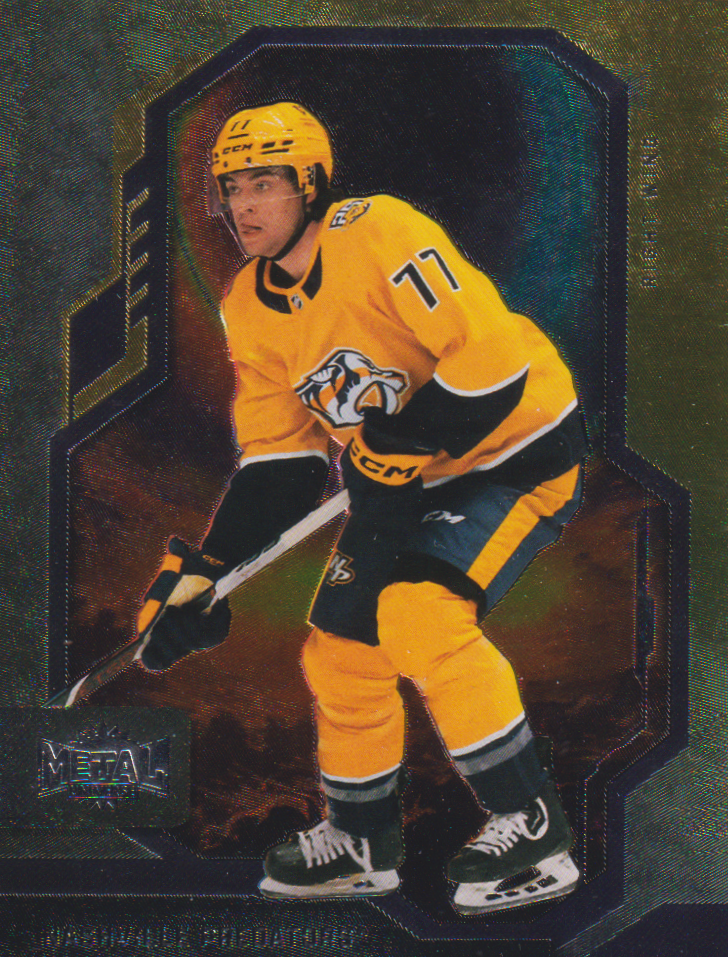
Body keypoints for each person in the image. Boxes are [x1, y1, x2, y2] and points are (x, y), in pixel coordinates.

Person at [137, 102, 587, 914]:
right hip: (403, 477)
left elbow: (494, 361)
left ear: (311, 183)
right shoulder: (247, 306)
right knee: (340, 653)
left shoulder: (379, 231)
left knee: (419, 614)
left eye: (264, 183)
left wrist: (402, 440)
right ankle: (361, 841)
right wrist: (208, 570)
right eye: (232, 187)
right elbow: (280, 463)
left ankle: (533, 824)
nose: (243, 205)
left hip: (514, 451)